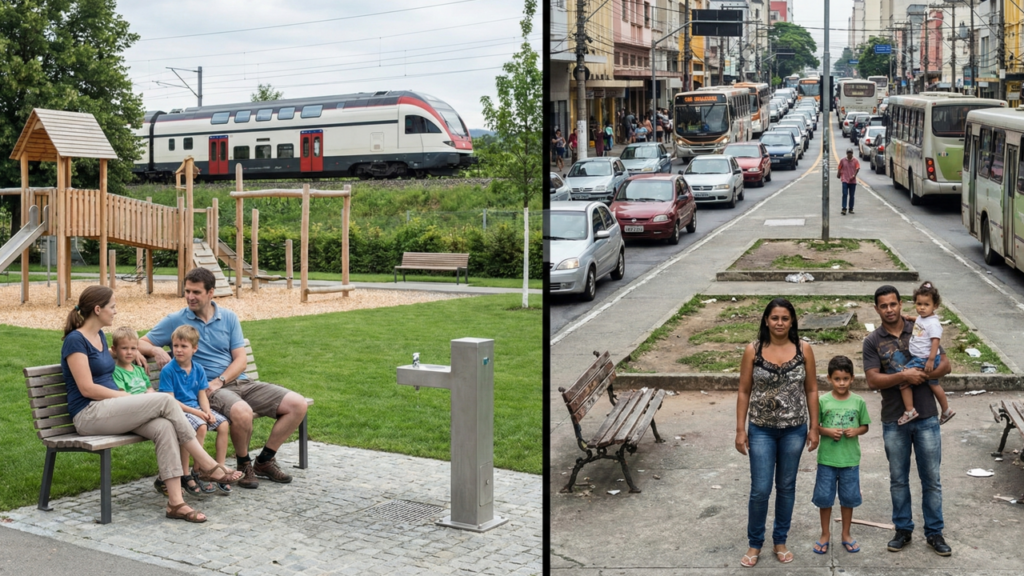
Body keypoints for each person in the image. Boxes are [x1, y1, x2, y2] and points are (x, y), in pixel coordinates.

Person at [62, 286, 243, 523]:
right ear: (97, 309)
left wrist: (134, 353)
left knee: (164, 427)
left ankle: (176, 503)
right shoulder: (75, 340)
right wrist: (129, 398)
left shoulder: (98, 338)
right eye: (112, 306)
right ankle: (208, 464)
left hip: (111, 411)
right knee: (164, 399)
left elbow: (106, 361)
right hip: (89, 414)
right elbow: (87, 388)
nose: (115, 311)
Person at [139, 267, 309, 489]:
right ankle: (244, 463)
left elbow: (240, 359)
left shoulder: (228, 317)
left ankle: (265, 461)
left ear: (211, 293)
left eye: (196, 292)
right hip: (208, 388)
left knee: (298, 404)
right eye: (187, 291)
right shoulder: (176, 320)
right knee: (242, 412)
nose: (190, 296)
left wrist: (222, 378)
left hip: (239, 382)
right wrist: (156, 351)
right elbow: (140, 342)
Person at [863, 285, 953, 556]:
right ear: (877, 308)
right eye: (883, 305)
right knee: (898, 479)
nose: (889, 309)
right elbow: (872, 380)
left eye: (893, 304)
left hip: (926, 416)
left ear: (901, 304)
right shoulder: (872, 341)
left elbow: (945, 365)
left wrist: (921, 376)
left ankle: (934, 532)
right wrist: (904, 377)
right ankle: (903, 530)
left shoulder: (921, 326)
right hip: (894, 419)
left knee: (932, 479)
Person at [736, 298, 820, 567]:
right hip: (761, 429)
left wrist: (814, 427)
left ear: (792, 320)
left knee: (786, 487)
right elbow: (744, 391)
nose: (780, 323)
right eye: (775, 318)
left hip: (795, 430)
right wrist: (740, 430)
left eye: (785, 318)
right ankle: (754, 544)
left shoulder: (804, 349)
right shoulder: (753, 350)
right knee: (760, 489)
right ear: (766, 320)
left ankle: (780, 540)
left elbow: (812, 390)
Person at [159, 325, 233, 496]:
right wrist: (198, 414)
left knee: (223, 425)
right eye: (175, 346)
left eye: (183, 346)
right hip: (178, 410)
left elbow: (202, 396)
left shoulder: (198, 368)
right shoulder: (168, 370)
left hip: (196, 408)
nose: (178, 350)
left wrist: (207, 412)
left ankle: (218, 467)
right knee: (200, 426)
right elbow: (170, 401)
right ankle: (191, 472)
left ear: (194, 348)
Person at [813, 355, 871, 555]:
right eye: (837, 379)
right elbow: (815, 427)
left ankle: (846, 534)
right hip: (827, 460)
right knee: (824, 499)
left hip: (850, 460)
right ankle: (825, 534)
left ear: (852, 378)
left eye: (845, 379)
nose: (841, 383)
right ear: (829, 379)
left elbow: (865, 426)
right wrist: (827, 431)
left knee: (848, 499)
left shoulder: (858, 401)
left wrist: (856, 431)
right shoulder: (822, 401)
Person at [897, 282, 955, 425]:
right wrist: (911, 318)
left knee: (904, 380)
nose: (922, 308)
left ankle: (910, 411)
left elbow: (935, 342)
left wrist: (930, 360)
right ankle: (946, 410)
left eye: (926, 305)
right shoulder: (924, 319)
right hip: (923, 357)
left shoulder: (934, 324)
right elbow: (921, 322)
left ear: (935, 306)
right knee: (934, 384)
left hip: (923, 359)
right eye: (919, 304)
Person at [111, 327, 154, 395]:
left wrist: (150, 393)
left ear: (137, 349)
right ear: (114, 349)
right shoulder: (116, 372)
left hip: (146, 401)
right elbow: (121, 394)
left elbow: (149, 388)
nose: (129, 352)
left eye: (133, 348)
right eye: (124, 348)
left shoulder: (140, 370)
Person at [838, 148, 860, 215]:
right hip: (845, 179)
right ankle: (844, 208)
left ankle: (851, 208)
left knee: (852, 195)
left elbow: (858, 168)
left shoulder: (855, 161)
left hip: (852, 181)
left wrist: (854, 175)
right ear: (846, 153)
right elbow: (839, 167)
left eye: (850, 153)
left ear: (852, 154)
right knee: (844, 194)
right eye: (848, 153)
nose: (849, 154)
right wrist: (838, 174)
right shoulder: (843, 160)